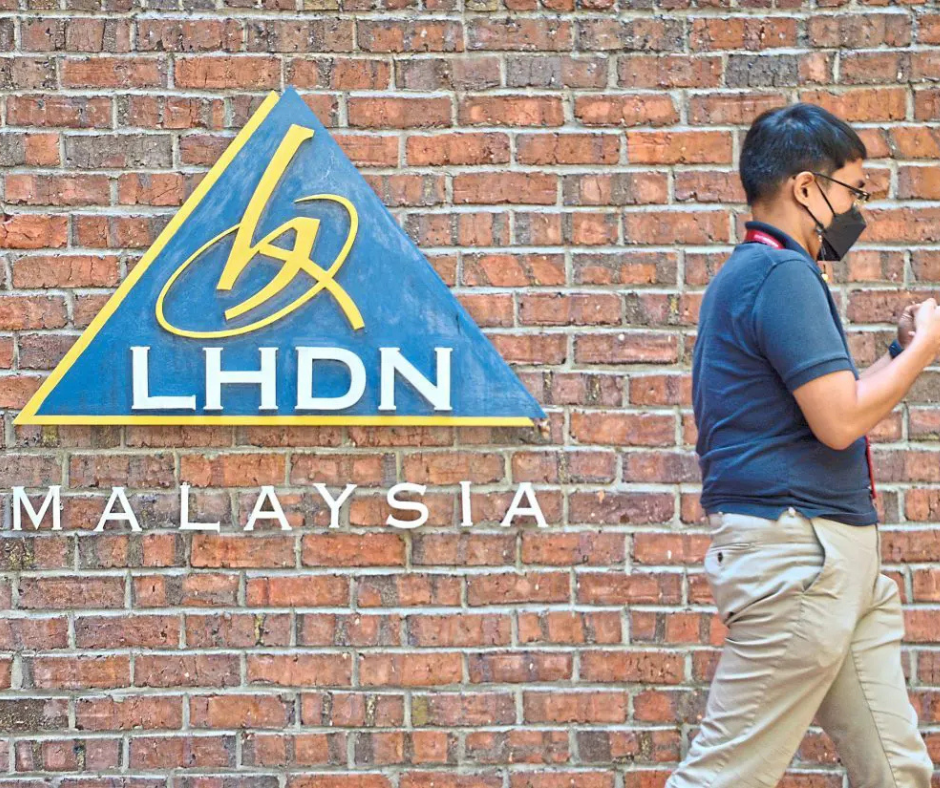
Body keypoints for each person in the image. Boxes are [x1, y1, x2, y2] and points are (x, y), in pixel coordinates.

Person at [668, 102, 940, 787]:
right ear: (806, 187)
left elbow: (829, 401)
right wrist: (924, 352)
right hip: (802, 560)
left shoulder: (758, 275)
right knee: (724, 776)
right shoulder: (780, 275)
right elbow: (840, 421)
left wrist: (897, 353)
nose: (856, 211)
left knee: (895, 770)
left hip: (831, 558)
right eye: (854, 191)